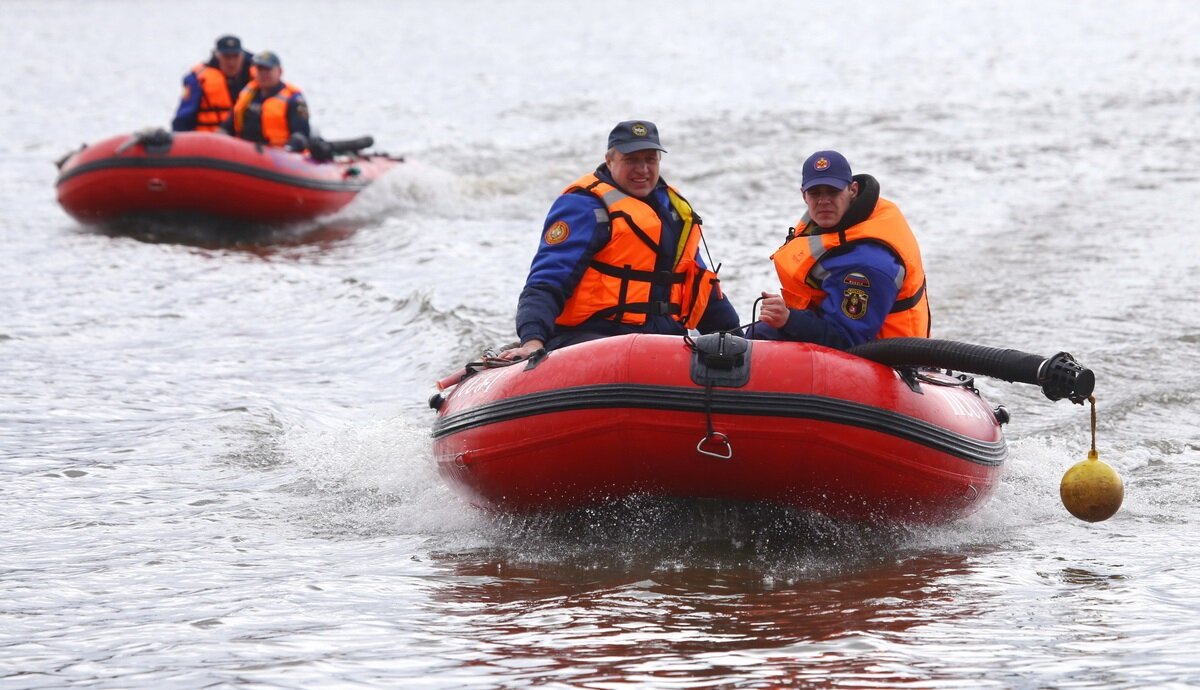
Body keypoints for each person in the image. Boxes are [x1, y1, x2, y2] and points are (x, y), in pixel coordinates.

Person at [500, 120, 741, 361]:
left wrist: (737, 341)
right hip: (591, 338)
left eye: (650, 159)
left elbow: (696, 283)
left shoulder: (672, 212)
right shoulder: (585, 207)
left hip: (665, 342)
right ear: (610, 160)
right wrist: (532, 340)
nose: (643, 169)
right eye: (632, 160)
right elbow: (548, 280)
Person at [748, 150, 930, 348]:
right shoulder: (836, 223)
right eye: (815, 193)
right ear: (804, 195)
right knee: (759, 332)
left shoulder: (868, 264)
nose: (824, 201)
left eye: (833, 191)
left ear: (852, 191)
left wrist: (789, 320)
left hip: (887, 357)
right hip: (838, 327)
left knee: (763, 337)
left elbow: (848, 340)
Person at [221, 50, 310, 147]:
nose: (263, 74)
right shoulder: (248, 94)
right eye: (260, 69)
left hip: (276, 154)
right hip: (245, 151)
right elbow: (229, 125)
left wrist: (289, 148)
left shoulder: (293, 99)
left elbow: (301, 133)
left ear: (279, 71)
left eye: (267, 70)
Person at [171, 35, 254, 132]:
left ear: (242, 56)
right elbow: (182, 121)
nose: (232, 63)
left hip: (245, 142)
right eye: (226, 57)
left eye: (235, 56)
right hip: (210, 141)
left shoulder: (258, 77)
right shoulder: (198, 81)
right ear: (217, 56)